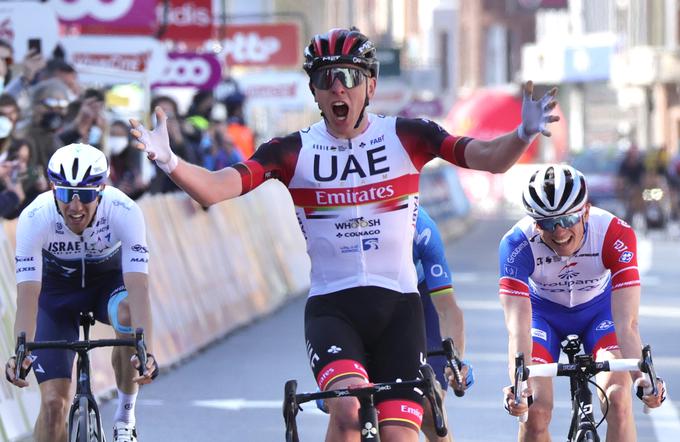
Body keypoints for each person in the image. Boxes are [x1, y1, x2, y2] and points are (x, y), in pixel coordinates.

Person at [130, 27, 559, 441]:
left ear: (370, 85)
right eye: (324, 79)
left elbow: (487, 158)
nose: (338, 88)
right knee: (348, 409)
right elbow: (216, 187)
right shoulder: (290, 150)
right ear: (314, 92)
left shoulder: (409, 135)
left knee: (400, 435)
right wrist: (170, 162)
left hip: (399, 310)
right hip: (334, 308)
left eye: (349, 77)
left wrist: (521, 134)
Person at [499, 165, 667, 442]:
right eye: (547, 223)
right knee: (535, 411)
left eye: (567, 219)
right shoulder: (516, 243)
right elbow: (518, 330)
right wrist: (519, 388)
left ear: (586, 211)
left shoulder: (614, 233)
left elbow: (627, 324)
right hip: (543, 318)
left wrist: (645, 380)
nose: (559, 232)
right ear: (534, 223)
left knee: (619, 400)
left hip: (599, 314)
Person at [4, 143, 159, 442]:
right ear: (53, 190)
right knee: (52, 407)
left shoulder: (124, 210)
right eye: (65, 195)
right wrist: (20, 349)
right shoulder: (35, 217)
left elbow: (139, 289)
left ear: (101, 190)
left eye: (86, 196)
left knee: (128, 313)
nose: (75, 207)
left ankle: (125, 418)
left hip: (107, 287)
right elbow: (27, 297)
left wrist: (147, 350)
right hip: (56, 296)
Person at [413, 206, 473, 442]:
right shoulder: (343, 222)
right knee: (351, 408)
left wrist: (455, 363)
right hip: (358, 300)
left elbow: (448, 309)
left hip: (418, 295)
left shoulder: (421, 227)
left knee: (429, 404)